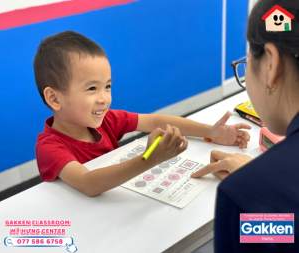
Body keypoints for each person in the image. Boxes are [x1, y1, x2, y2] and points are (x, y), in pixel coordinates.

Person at [34, 31, 251, 197]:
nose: (104, 98)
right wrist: (148, 159)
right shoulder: (49, 147)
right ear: (54, 98)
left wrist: (210, 132)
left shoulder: (104, 120)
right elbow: (88, 183)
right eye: (92, 89)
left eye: (107, 86)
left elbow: (154, 120)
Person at [191, 0, 299, 251]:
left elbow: (283, 234)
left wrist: (258, 185)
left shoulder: (243, 196)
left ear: (271, 65)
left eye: (247, 61)